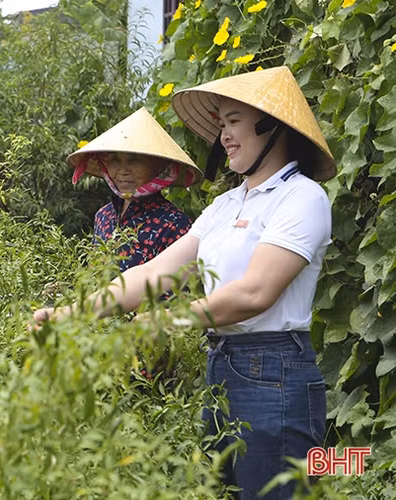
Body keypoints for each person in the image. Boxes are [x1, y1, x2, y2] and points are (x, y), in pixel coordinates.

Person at [33, 66, 336, 499]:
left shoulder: (302, 198)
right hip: (223, 363)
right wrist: (69, 313)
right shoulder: (226, 205)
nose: (224, 135)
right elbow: (152, 273)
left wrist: (165, 322)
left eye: (234, 121)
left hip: (274, 373)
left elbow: (255, 293)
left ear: (273, 127)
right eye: (222, 123)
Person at [67, 107, 201, 271]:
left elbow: (179, 288)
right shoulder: (103, 216)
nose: (123, 171)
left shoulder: (174, 224)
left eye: (134, 160)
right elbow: (93, 276)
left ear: (157, 167)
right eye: (115, 161)